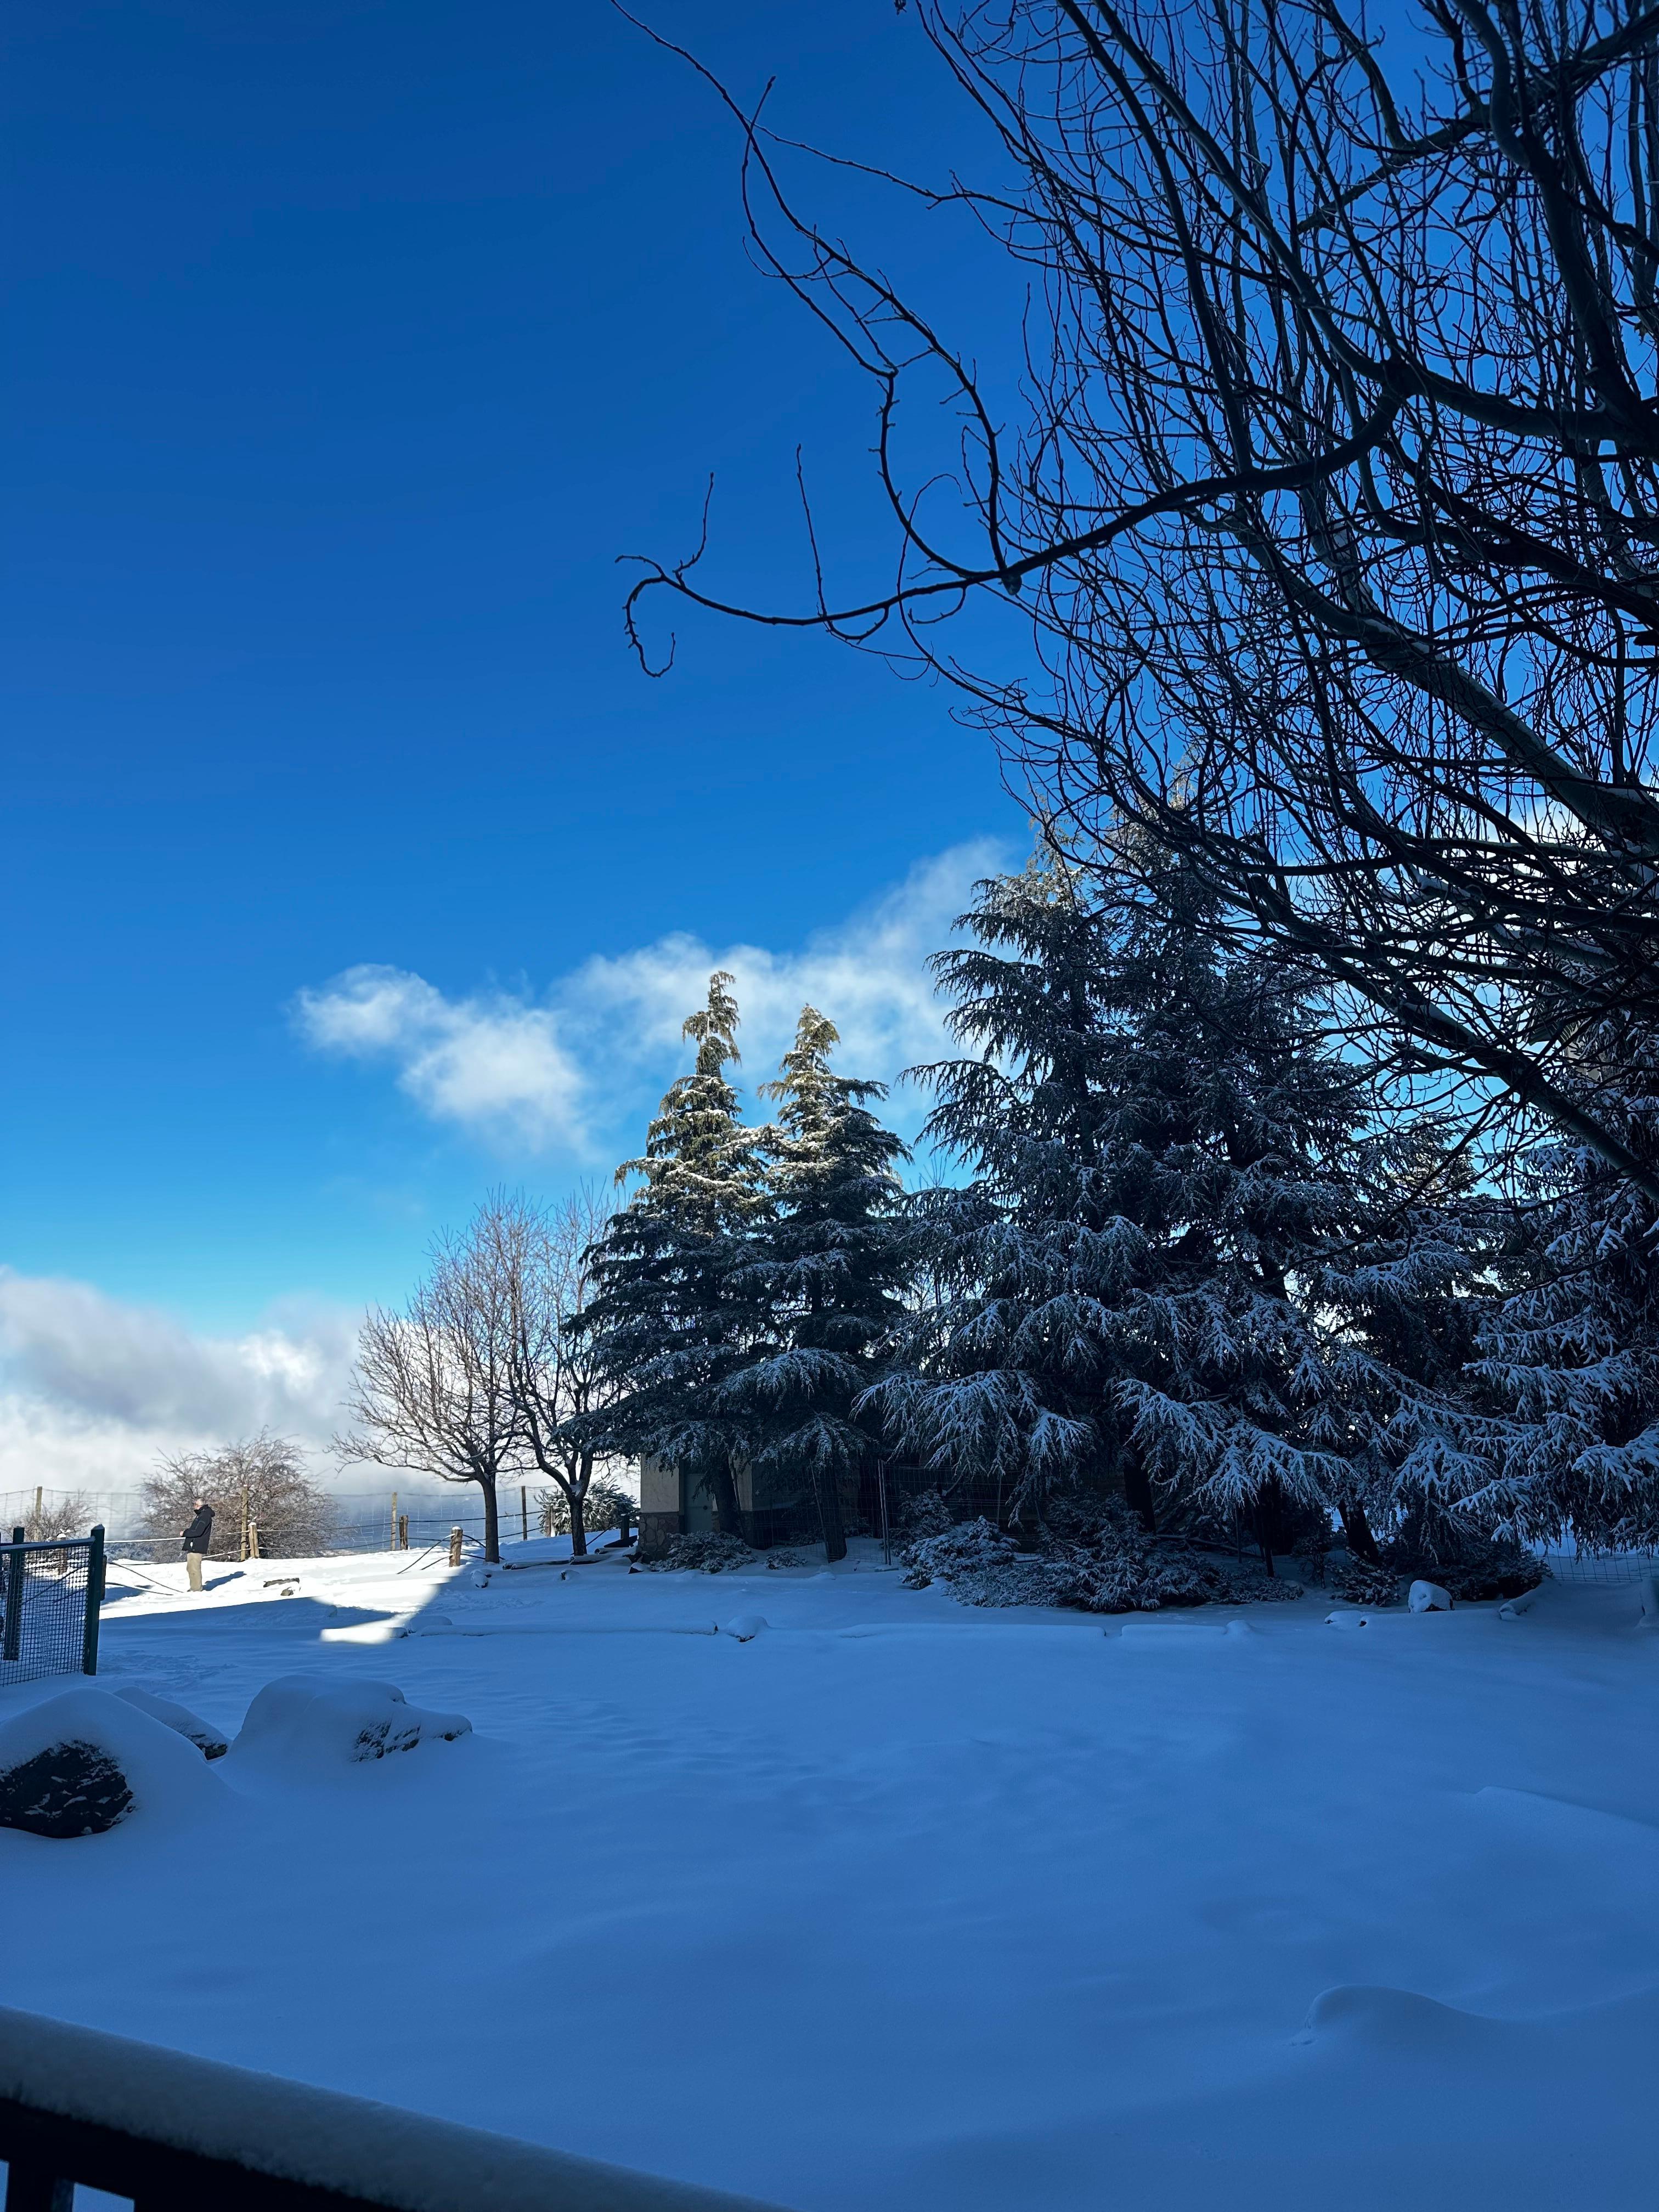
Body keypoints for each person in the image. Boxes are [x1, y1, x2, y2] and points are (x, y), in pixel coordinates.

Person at [181, 1497, 214, 1593]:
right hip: (194, 1545)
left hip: (197, 1546)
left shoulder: (204, 1516)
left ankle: (196, 1590)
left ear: (199, 1505)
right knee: (191, 1568)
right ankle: (194, 1588)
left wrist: (185, 1533)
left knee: (194, 1568)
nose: (194, 1506)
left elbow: (198, 1531)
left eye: (195, 1504)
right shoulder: (201, 1515)